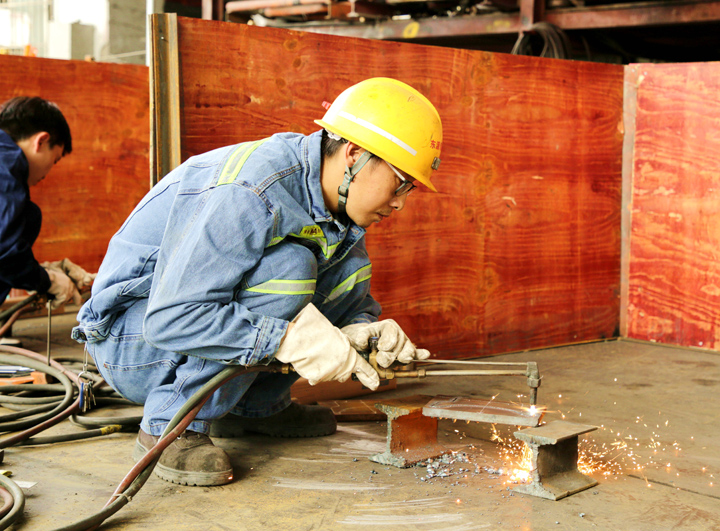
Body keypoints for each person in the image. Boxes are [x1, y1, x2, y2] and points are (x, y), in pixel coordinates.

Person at [71, 77, 443, 487]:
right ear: (354, 154)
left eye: (410, 189)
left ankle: (253, 407)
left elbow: (342, 297)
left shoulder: (334, 205)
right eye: (400, 182)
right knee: (290, 269)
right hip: (132, 343)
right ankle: (169, 424)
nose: (400, 202)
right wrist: (287, 340)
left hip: (165, 333)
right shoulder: (253, 189)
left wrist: (361, 330)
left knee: (346, 269)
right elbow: (169, 319)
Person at [0, 97, 95, 345]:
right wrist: (47, 280)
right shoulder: (7, 162)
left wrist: (44, 269)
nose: (48, 171)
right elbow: (4, 252)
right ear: (41, 141)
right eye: (54, 160)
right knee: (29, 216)